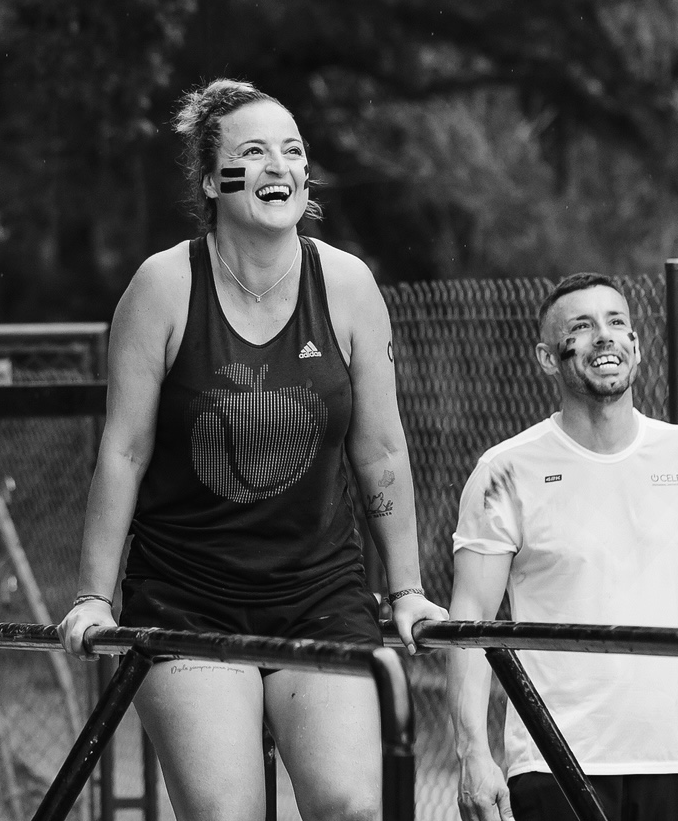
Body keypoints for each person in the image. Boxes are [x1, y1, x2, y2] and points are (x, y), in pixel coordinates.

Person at [57, 78, 447, 821]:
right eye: (256, 151)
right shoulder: (164, 286)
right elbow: (124, 451)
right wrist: (92, 599)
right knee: (227, 813)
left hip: (319, 596)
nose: (280, 166)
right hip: (187, 598)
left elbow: (381, 452)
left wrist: (407, 591)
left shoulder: (347, 284)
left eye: (293, 151)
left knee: (353, 805)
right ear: (212, 180)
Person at [446, 273, 678, 821]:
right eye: (582, 327)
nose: (604, 335)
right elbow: (472, 620)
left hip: (677, 763)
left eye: (616, 322)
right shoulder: (504, 471)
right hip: (551, 762)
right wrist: (472, 752)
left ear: (635, 343)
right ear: (547, 357)